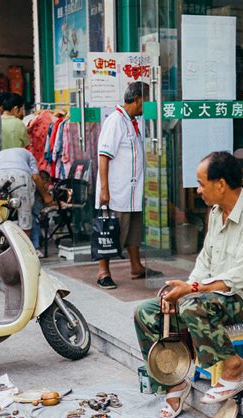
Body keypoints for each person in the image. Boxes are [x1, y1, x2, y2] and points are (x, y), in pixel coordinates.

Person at [134, 151, 243, 418]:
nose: (198, 190)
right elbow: (205, 261)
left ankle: (234, 367)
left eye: (202, 183)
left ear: (221, 184)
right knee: (146, 311)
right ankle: (175, 380)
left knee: (192, 304)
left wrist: (191, 291)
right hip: (214, 296)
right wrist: (186, 286)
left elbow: (241, 278)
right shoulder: (216, 213)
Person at [95, 81, 162, 289]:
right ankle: (102, 272)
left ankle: (136, 266)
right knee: (110, 231)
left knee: (133, 232)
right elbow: (103, 156)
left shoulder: (133, 122)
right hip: (116, 191)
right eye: (147, 100)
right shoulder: (115, 121)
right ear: (138, 99)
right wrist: (105, 190)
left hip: (132, 191)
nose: (149, 104)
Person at [0, 148, 52, 253]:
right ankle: (24, 251)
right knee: (25, 215)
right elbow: (35, 177)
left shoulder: (0, 153)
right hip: (19, 176)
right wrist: (46, 196)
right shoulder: (30, 155)